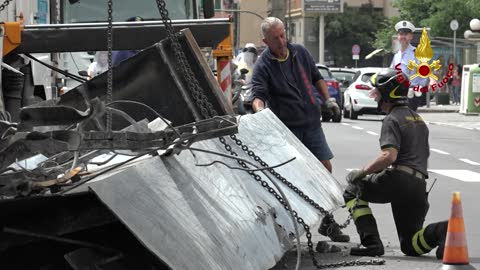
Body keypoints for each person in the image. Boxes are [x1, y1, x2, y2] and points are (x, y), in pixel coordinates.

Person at [251, 17, 349, 243]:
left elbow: (316, 78)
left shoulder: (300, 53)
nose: (282, 41)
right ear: (265, 41)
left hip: (311, 123)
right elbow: (258, 95)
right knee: (294, 178)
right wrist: (261, 114)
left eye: (283, 35)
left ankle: (328, 222)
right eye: (275, 39)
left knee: (325, 168)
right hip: (289, 131)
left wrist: (328, 100)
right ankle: (290, 226)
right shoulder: (264, 65)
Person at [339, 68, 448, 258]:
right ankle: (443, 231)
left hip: (399, 179)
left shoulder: (392, 119)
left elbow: (389, 156)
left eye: (378, 93)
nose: (375, 98)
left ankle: (372, 243)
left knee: (352, 190)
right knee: (411, 245)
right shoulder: (417, 119)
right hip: (419, 185)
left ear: (388, 94)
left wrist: (362, 173)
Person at [390, 20, 429, 111]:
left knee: (408, 122)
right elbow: (391, 73)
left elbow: (424, 76)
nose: (403, 37)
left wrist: (417, 89)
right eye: (400, 34)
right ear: (398, 36)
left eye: (406, 34)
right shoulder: (397, 55)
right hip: (397, 94)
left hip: (410, 95)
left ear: (411, 36)